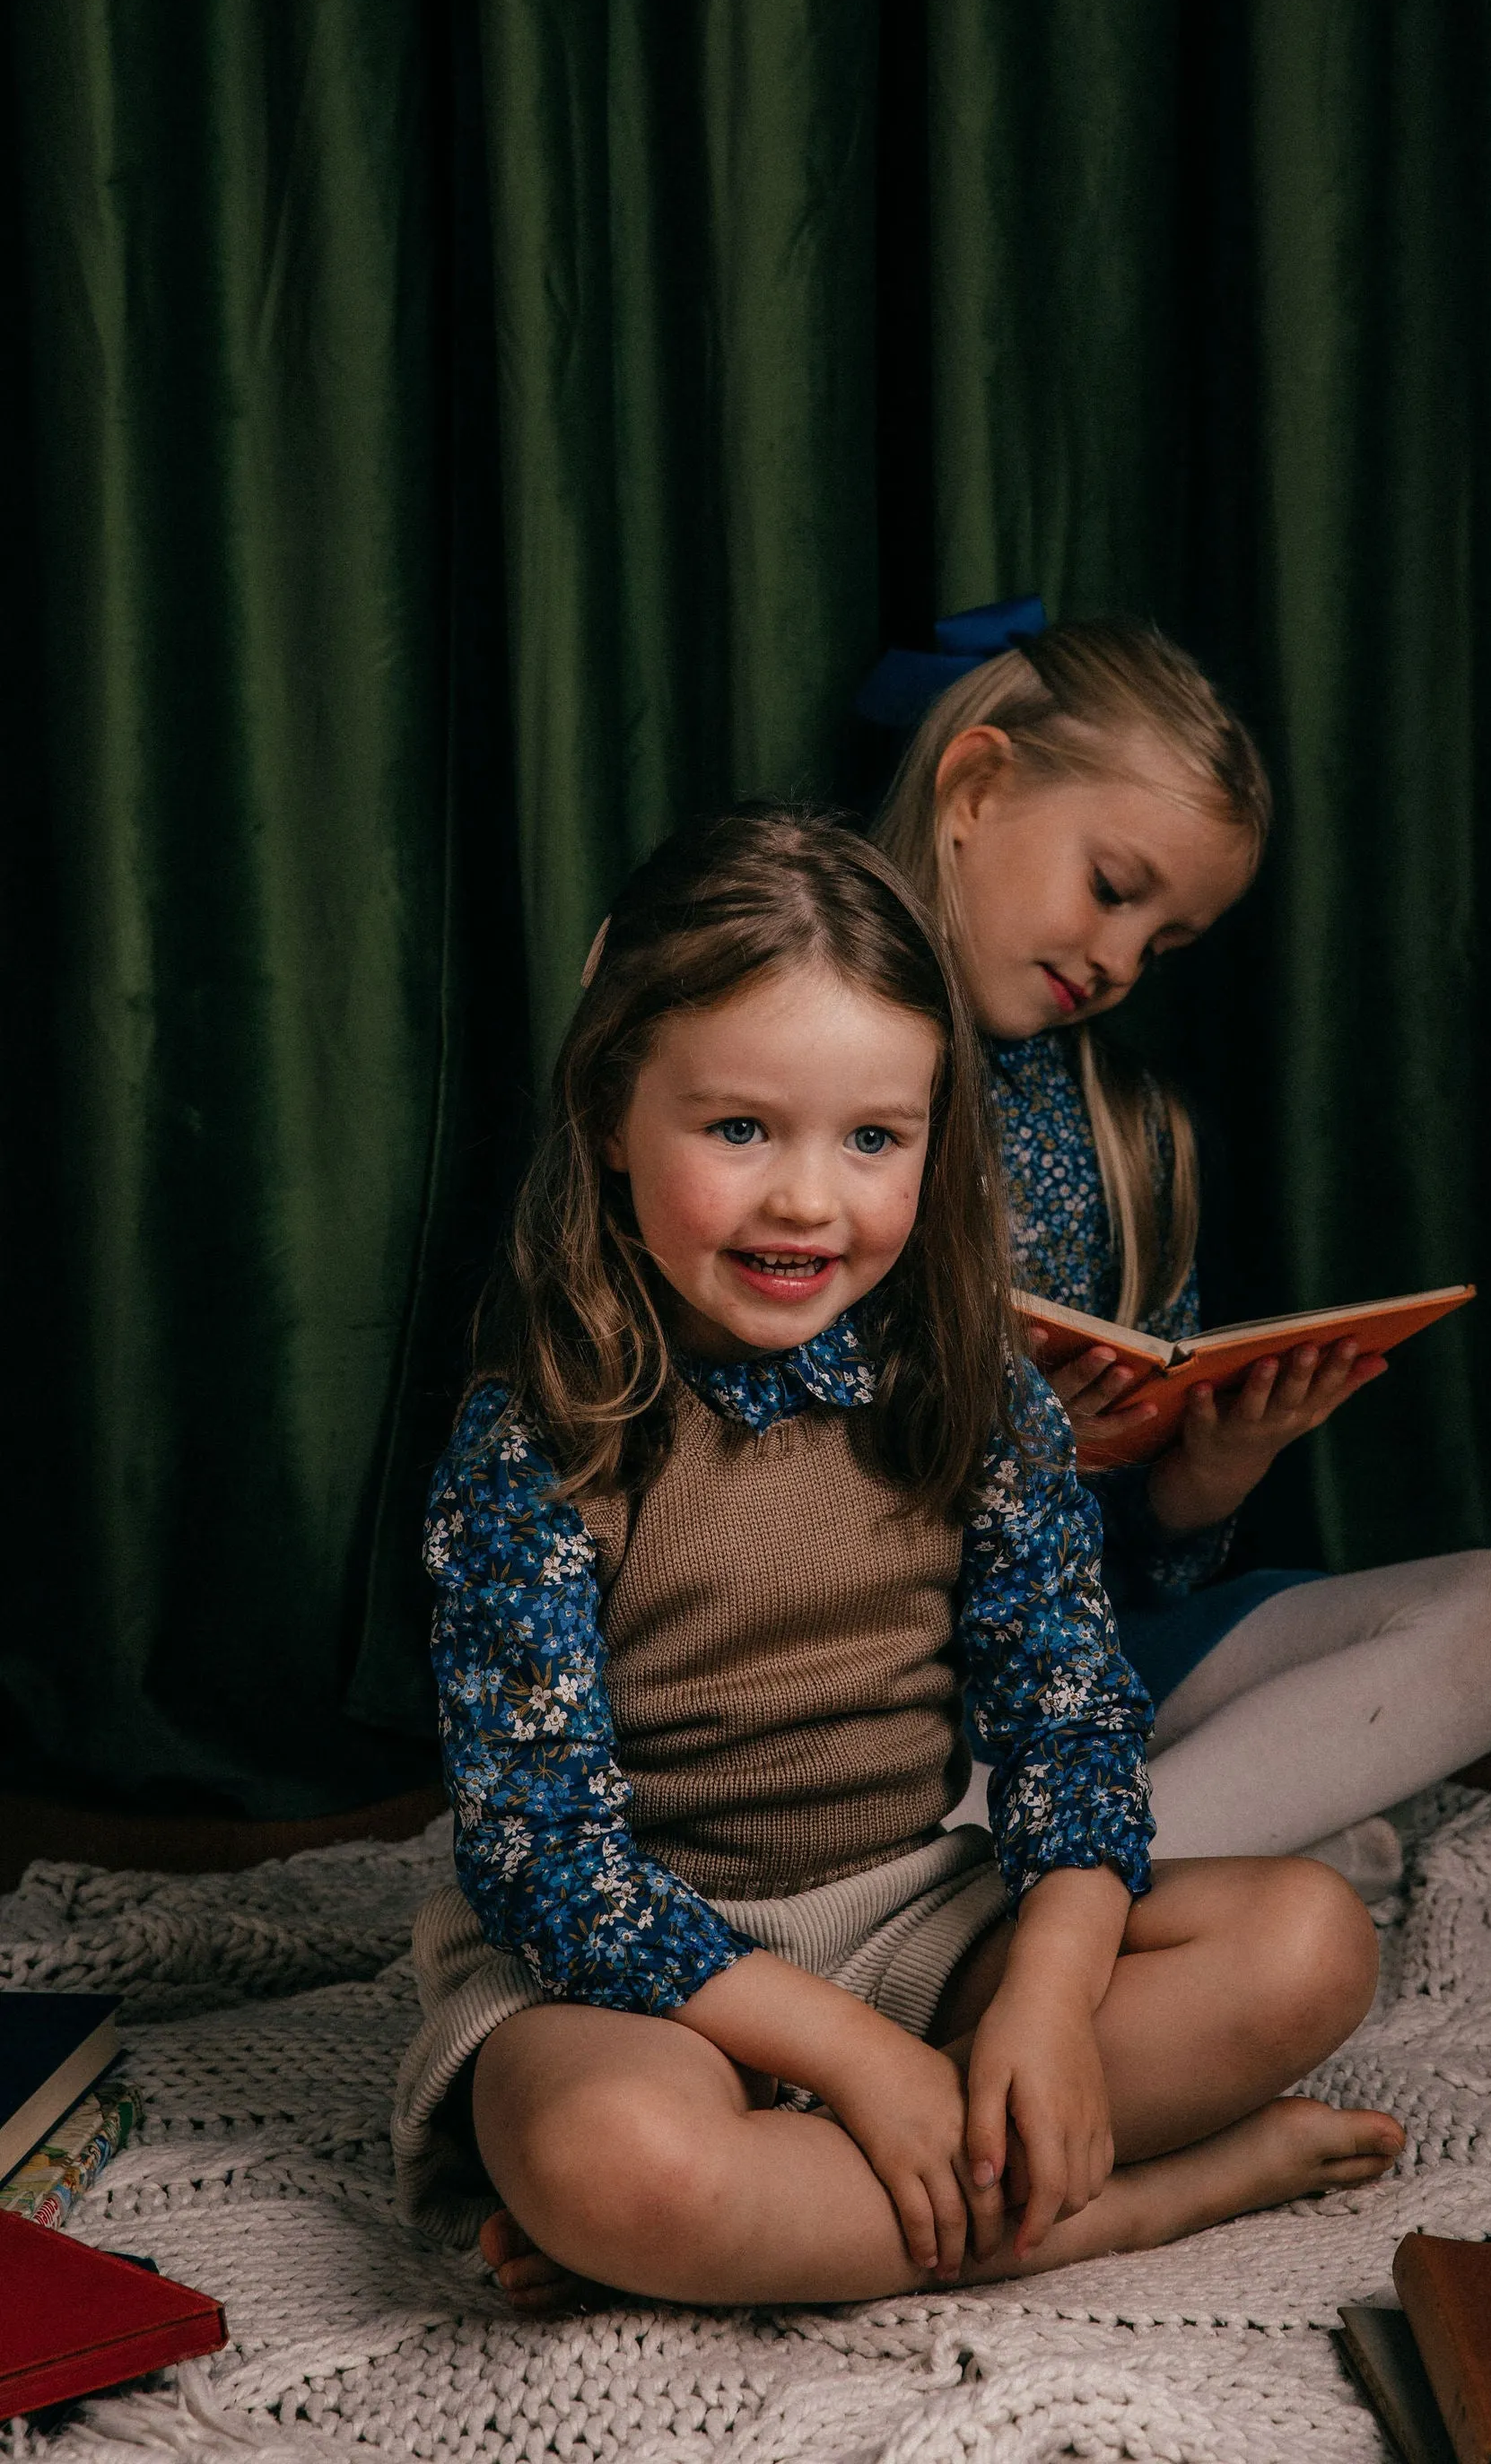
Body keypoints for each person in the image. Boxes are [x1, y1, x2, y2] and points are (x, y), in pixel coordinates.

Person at [391, 809, 1403, 2312]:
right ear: (612, 1112)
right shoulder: (534, 1438)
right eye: (740, 1130)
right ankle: (1129, 2204)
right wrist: (860, 2062)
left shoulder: (972, 1384)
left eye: (874, 1138)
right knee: (621, 2165)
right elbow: (548, 1866)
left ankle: (809, 2207)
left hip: (917, 1915)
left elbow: (1068, 1722)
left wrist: (1048, 2013)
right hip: (641, 1970)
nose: (810, 1199)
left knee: (1312, 1940)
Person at [875, 617, 1491, 1896]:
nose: (1125, 961)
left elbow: (1141, 1565)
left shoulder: (1130, 1134)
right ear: (974, 791)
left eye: (1169, 941)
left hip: (1086, 1664)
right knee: (1325, 1869)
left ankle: (1013, 1885)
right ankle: (1137, 1862)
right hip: (877, 1691)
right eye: (1112, 888)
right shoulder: (802, 1059)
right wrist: (1011, 1444)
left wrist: (1207, 1474)